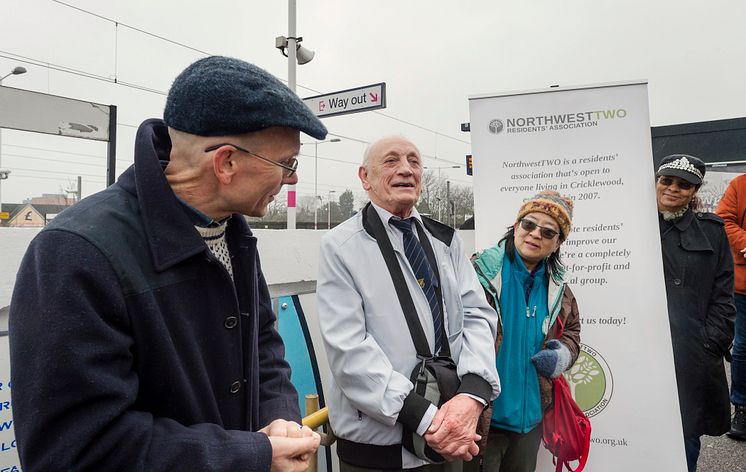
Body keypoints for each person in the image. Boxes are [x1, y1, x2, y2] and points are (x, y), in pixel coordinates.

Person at [9, 56, 326, 471]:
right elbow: (78, 450)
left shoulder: (231, 231)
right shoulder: (77, 252)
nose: (292, 179)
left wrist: (279, 418)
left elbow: (263, 345)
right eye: (287, 163)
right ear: (226, 162)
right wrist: (249, 456)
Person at [316, 136, 500, 471]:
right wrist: (428, 419)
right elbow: (349, 349)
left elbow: (477, 316)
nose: (406, 169)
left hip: (449, 437)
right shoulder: (341, 246)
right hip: (378, 449)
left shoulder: (446, 240)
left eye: (414, 161)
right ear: (365, 177)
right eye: (391, 161)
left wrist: (471, 396)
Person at [468, 190, 581, 472]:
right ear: (516, 226)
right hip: (483, 422)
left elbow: (573, 331)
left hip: (530, 424)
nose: (534, 235)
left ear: (557, 243)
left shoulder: (559, 289)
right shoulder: (477, 273)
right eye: (528, 224)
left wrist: (562, 354)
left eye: (547, 231)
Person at [655, 154, 735, 471]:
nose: (673, 189)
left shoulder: (712, 232)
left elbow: (723, 295)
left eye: (684, 184)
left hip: (690, 355)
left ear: (695, 190)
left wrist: (710, 342)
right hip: (640, 350)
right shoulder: (629, 228)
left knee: (685, 435)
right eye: (667, 180)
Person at [716, 171, 746, 440]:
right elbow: (723, 219)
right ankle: (742, 406)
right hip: (743, 286)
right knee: (744, 347)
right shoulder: (740, 184)